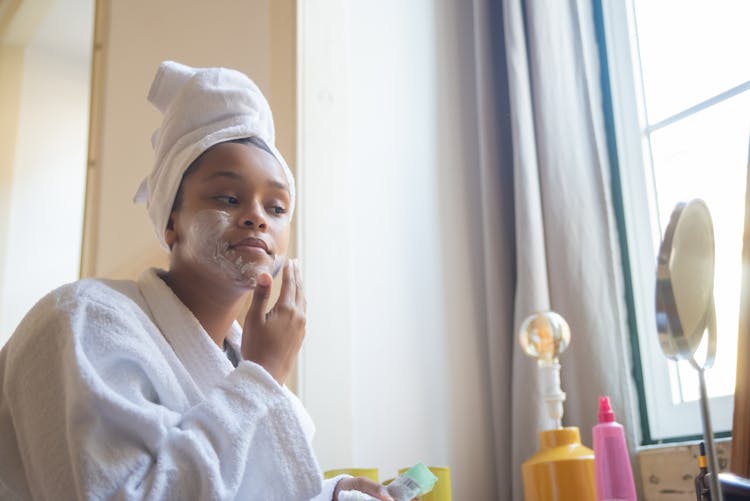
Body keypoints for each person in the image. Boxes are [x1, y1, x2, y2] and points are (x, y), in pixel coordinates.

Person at [0, 61, 394, 501]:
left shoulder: (235, 368)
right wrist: (262, 375)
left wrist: (328, 495)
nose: (256, 217)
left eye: (277, 207)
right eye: (228, 197)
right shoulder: (82, 318)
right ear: (172, 222)